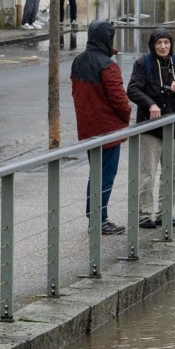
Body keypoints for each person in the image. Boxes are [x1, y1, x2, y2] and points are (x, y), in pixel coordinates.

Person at [69, 19, 131, 234]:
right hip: (107, 129)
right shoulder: (108, 65)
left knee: (95, 173)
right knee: (106, 175)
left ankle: (94, 217)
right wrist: (125, 118)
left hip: (88, 128)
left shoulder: (78, 61)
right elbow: (119, 100)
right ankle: (99, 220)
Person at [127, 27, 175, 230]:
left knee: (173, 174)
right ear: (153, 45)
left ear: (171, 44)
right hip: (151, 128)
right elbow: (132, 89)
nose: (163, 47)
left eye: (166, 43)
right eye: (159, 43)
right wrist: (150, 104)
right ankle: (144, 214)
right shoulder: (143, 63)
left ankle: (165, 213)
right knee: (147, 174)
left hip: (173, 126)